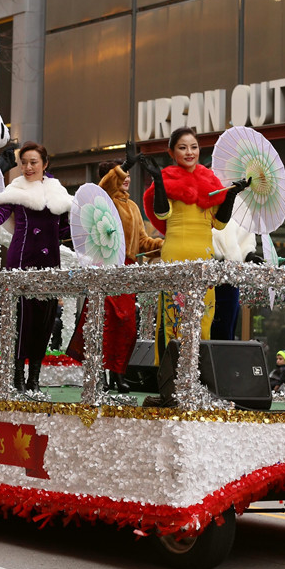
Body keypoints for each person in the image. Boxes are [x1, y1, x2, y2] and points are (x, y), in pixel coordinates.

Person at [141, 126, 250, 361]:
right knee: (173, 318)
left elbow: (219, 223)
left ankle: (197, 372)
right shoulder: (168, 178)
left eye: (194, 147)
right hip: (176, 255)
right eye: (182, 148)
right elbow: (162, 214)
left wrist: (232, 194)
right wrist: (158, 180)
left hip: (204, 257)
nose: (189, 152)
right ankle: (171, 374)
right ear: (171, 152)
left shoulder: (209, 180)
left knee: (203, 317)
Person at [0, 141, 73, 392]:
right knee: (21, 321)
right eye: (24, 163)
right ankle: (18, 377)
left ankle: (34, 379)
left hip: (50, 264)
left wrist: (84, 222)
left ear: (45, 164)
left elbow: (64, 231)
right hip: (21, 263)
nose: (28, 167)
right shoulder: (15, 191)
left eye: (33, 162)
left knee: (45, 321)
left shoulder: (57, 192)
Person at [97, 151, 164, 391]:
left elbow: (143, 242)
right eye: (121, 173)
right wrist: (125, 164)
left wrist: (165, 245)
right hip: (107, 267)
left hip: (128, 270)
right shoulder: (104, 200)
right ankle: (99, 374)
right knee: (105, 324)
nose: (126, 177)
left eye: (128, 174)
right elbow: (105, 187)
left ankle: (118, 373)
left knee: (127, 326)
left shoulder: (133, 206)